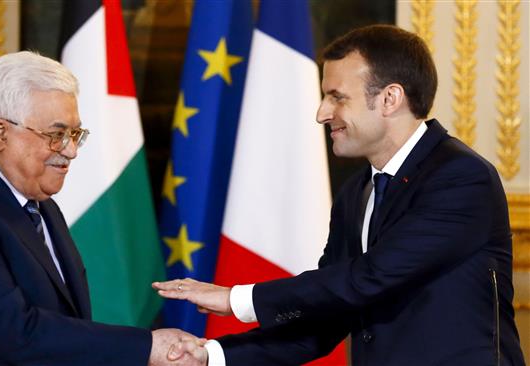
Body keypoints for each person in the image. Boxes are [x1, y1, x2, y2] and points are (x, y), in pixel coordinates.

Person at [153, 25, 525, 366]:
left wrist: (237, 299)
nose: (321, 113)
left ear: (390, 98)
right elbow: (325, 316)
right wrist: (212, 355)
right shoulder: (356, 192)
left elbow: (370, 277)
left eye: (336, 97)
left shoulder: (461, 177)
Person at [0, 51, 199, 365]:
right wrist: (147, 347)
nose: (71, 151)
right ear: (0, 133)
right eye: (56, 135)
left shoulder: (37, 201)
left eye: (75, 134)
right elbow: (16, 333)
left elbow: (66, 319)